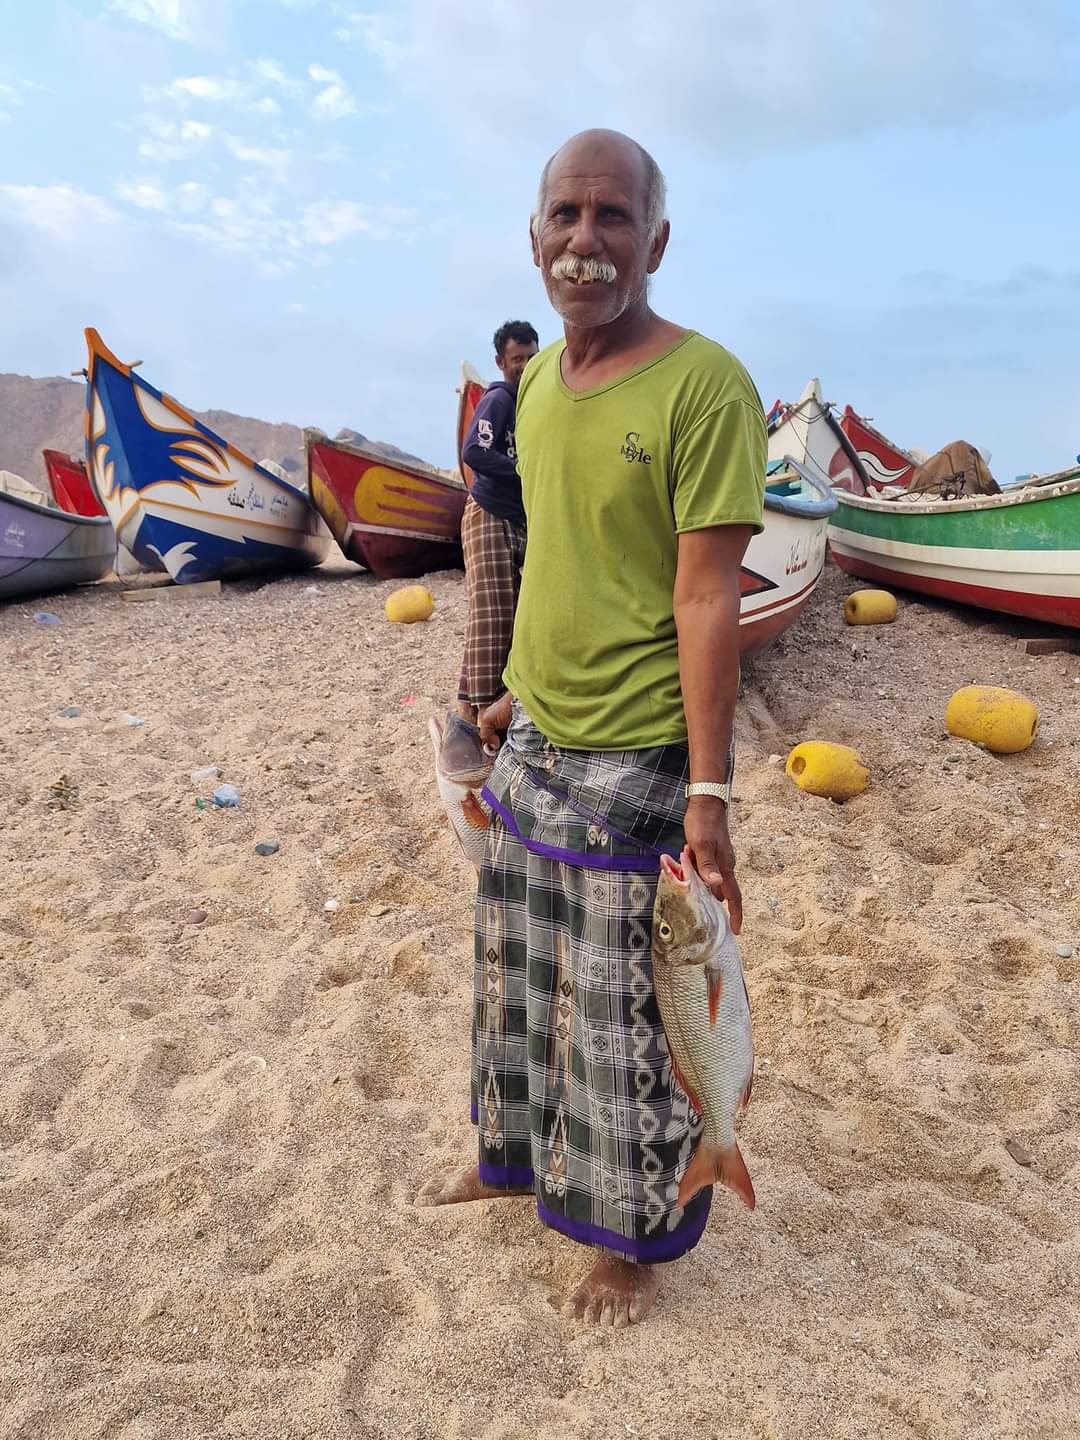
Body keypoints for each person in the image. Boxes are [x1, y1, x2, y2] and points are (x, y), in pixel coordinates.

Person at [418, 130, 766, 1328]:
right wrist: (507, 696)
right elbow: (563, 560)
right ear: (533, 237)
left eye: (612, 217)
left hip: (641, 756)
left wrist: (711, 797)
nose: (585, 240)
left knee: (623, 1012)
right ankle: (508, 1157)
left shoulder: (704, 384)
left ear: (655, 242)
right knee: (513, 975)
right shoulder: (527, 393)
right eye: (564, 214)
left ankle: (627, 1237)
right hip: (537, 741)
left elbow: (705, 593)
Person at [456, 320, 539, 724]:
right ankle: (474, 717)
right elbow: (475, 451)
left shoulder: (531, 404)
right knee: (491, 616)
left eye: (531, 358)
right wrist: (525, 470)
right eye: (516, 359)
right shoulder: (501, 398)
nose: (524, 366)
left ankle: (484, 711)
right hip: (489, 514)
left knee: (513, 614)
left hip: (516, 519)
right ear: (500, 362)